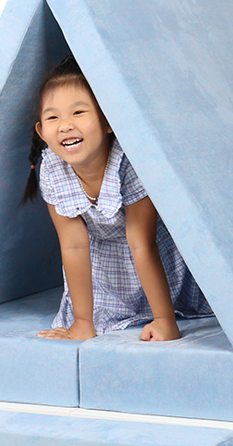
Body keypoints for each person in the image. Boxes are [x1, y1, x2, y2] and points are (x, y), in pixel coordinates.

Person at [22, 56, 212, 341]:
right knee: (92, 316)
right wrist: (83, 321)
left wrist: (164, 320)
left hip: (152, 254)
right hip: (103, 265)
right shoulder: (52, 168)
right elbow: (73, 245)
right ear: (41, 132)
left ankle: (162, 311)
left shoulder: (127, 163)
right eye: (53, 117)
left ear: (108, 121)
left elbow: (141, 243)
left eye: (78, 112)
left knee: (168, 289)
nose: (65, 126)